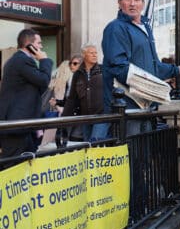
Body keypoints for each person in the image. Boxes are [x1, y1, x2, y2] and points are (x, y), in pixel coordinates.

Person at [101, 0, 180, 129]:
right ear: (119, 3)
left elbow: (153, 66)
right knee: (131, 150)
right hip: (126, 107)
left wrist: (177, 70)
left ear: (142, 3)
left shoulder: (145, 28)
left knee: (144, 150)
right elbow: (118, 67)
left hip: (146, 106)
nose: (132, 3)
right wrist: (151, 86)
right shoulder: (115, 28)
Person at [0, 29, 53, 158]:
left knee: (26, 163)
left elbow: (38, 87)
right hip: (17, 126)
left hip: (22, 125)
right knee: (14, 166)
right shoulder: (21, 60)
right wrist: (44, 60)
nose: (41, 47)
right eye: (39, 43)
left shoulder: (19, 60)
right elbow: (43, 80)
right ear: (29, 45)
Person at [62, 43, 107, 141]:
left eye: (96, 53)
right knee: (87, 145)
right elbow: (71, 99)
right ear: (83, 54)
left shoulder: (103, 70)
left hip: (102, 116)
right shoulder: (78, 74)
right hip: (86, 117)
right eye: (91, 53)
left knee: (96, 142)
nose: (95, 55)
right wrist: (63, 120)